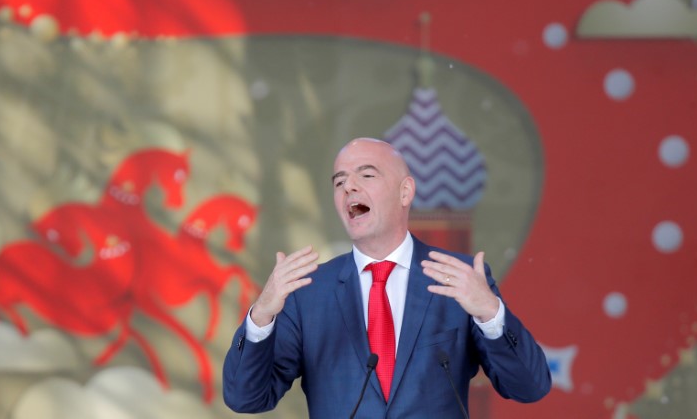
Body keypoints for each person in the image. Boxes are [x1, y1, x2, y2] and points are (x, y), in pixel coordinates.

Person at [223, 138, 551, 417]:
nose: (349, 186)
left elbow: (529, 387)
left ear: (405, 192)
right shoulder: (308, 292)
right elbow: (246, 399)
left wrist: (490, 314)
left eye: (366, 174)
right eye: (339, 182)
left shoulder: (460, 280)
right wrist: (262, 314)